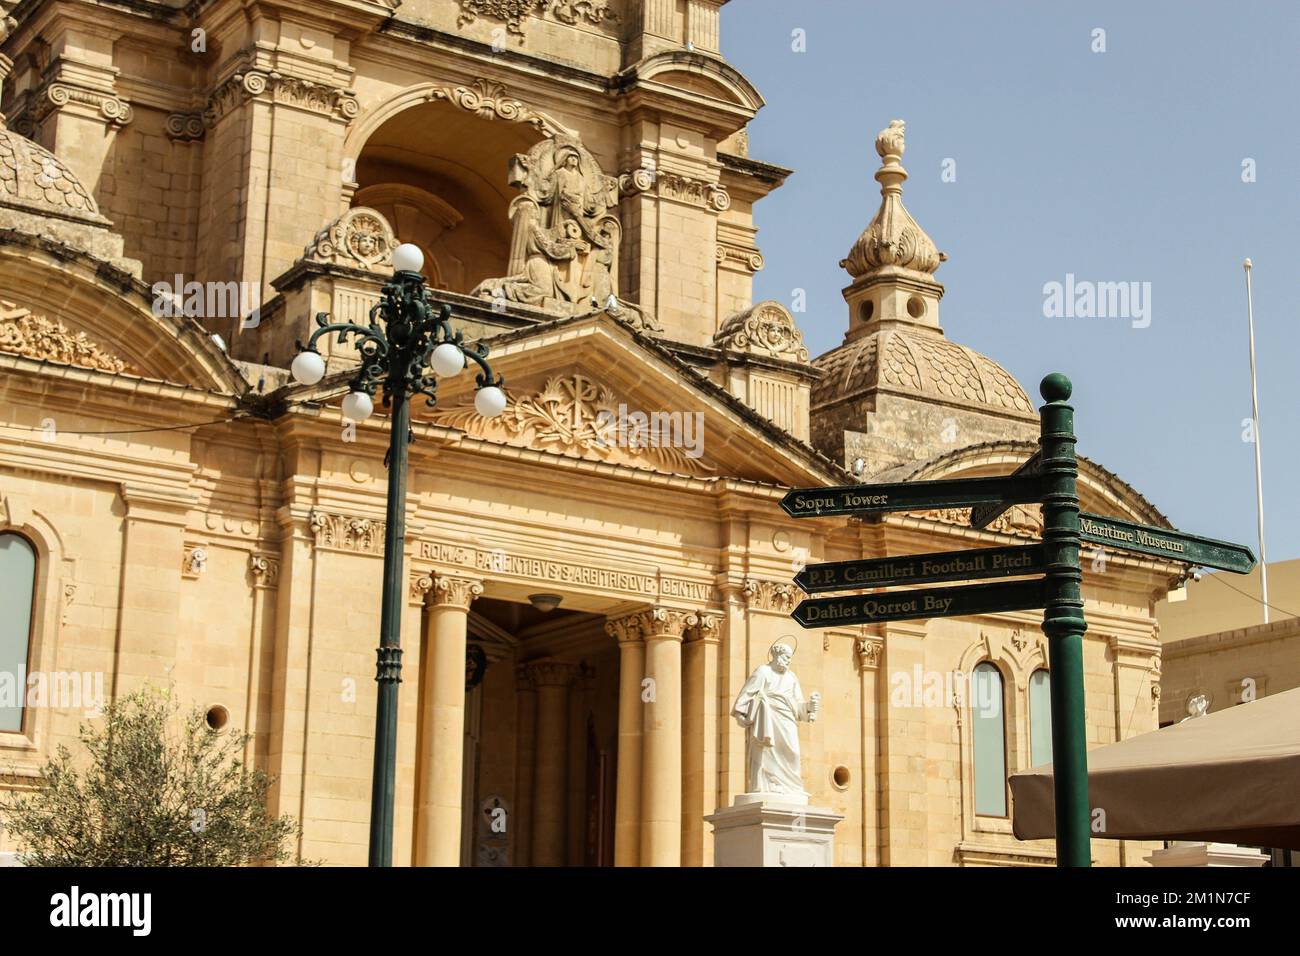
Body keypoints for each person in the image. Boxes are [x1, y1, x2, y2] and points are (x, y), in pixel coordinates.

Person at [732, 641, 821, 797]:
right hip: (767, 716)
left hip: (787, 718)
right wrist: (740, 714)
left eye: (790, 658)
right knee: (766, 750)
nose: (788, 661)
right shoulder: (763, 672)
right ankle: (767, 785)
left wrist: (810, 706)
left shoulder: (792, 677)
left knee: (792, 752)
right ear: (777, 656)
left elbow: (799, 707)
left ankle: (790, 787)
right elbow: (746, 693)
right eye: (786, 657)